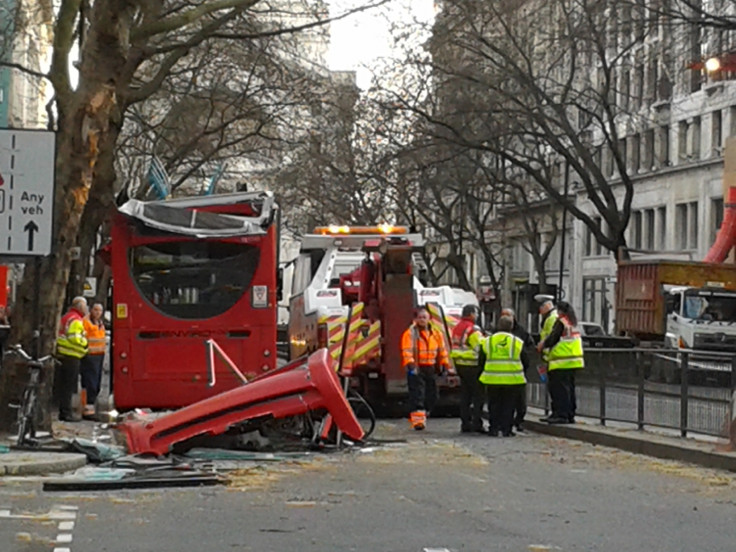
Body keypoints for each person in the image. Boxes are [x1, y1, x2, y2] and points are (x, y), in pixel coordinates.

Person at [400, 307, 450, 430]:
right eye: (420, 317)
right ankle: (418, 422)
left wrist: (444, 364)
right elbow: (406, 350)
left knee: (433, 395)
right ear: (415, 319)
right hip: (416, 367)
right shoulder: (410, 333)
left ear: (429, 319)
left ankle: (425, 412)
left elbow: (442, 350)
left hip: (431, 367)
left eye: (424, 317)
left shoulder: (436, 333)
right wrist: (410, 364)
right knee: (417, 395)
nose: (422, 320)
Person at [478, 315, 527, 437]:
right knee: (509, 405)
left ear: (498, 326)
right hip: (512, 379)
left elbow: (481, 360)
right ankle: (507, 429)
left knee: (493, 404)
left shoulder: (488, 341)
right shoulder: (517, 342)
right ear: (511, 327)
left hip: (492, 378)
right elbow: (526, 360)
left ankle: (493, 428)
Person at [536, 301, 584, 424]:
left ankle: (560, 414)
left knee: (559, 390)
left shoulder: (561, 322)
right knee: (570, 389)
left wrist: (542, 345)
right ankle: (570, 414)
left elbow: (553, 338)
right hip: (574, 360)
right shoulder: (572, 322)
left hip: (560, 361)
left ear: (560, 311)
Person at [450, 304, 485, 433]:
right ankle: (477, 423)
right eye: (475, 313)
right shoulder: (473, 329)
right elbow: (480, 347)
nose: (476, 316)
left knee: (465, 395)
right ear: (471, 314)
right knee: (478, 396)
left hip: (460, 364)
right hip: (472, 365)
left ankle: (465, 423)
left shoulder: (458, 327)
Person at [500, 308, 535, 432]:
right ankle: (504, 424)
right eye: (503, 315)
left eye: (508, 315)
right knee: (503, 401)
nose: (505, 318)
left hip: (516, 372)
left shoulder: (521, 332)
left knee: (520, 401)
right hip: (499, 373)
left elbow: (529, 348)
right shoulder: (496, 333)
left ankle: (518, 421)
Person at [55, 297, 89, 422]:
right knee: (68, 387)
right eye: (85, 306)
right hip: (71, 355)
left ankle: (63, 411)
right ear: (80, 306)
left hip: (62, 354)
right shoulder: (76, 320)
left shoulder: (67, 317)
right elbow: (75, 338)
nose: (86, 309)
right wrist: (85, 343)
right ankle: (66, 413)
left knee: (64, 386)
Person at [81, 302, 106, 417]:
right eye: (95, 310)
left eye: (100, 310)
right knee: (90, 383)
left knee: (96, 383)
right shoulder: (85, 322)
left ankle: (91, 407)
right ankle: (87, 409)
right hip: (89, 355)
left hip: (99, 355)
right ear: (91, 310)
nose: (98, 312)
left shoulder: (100, 323)